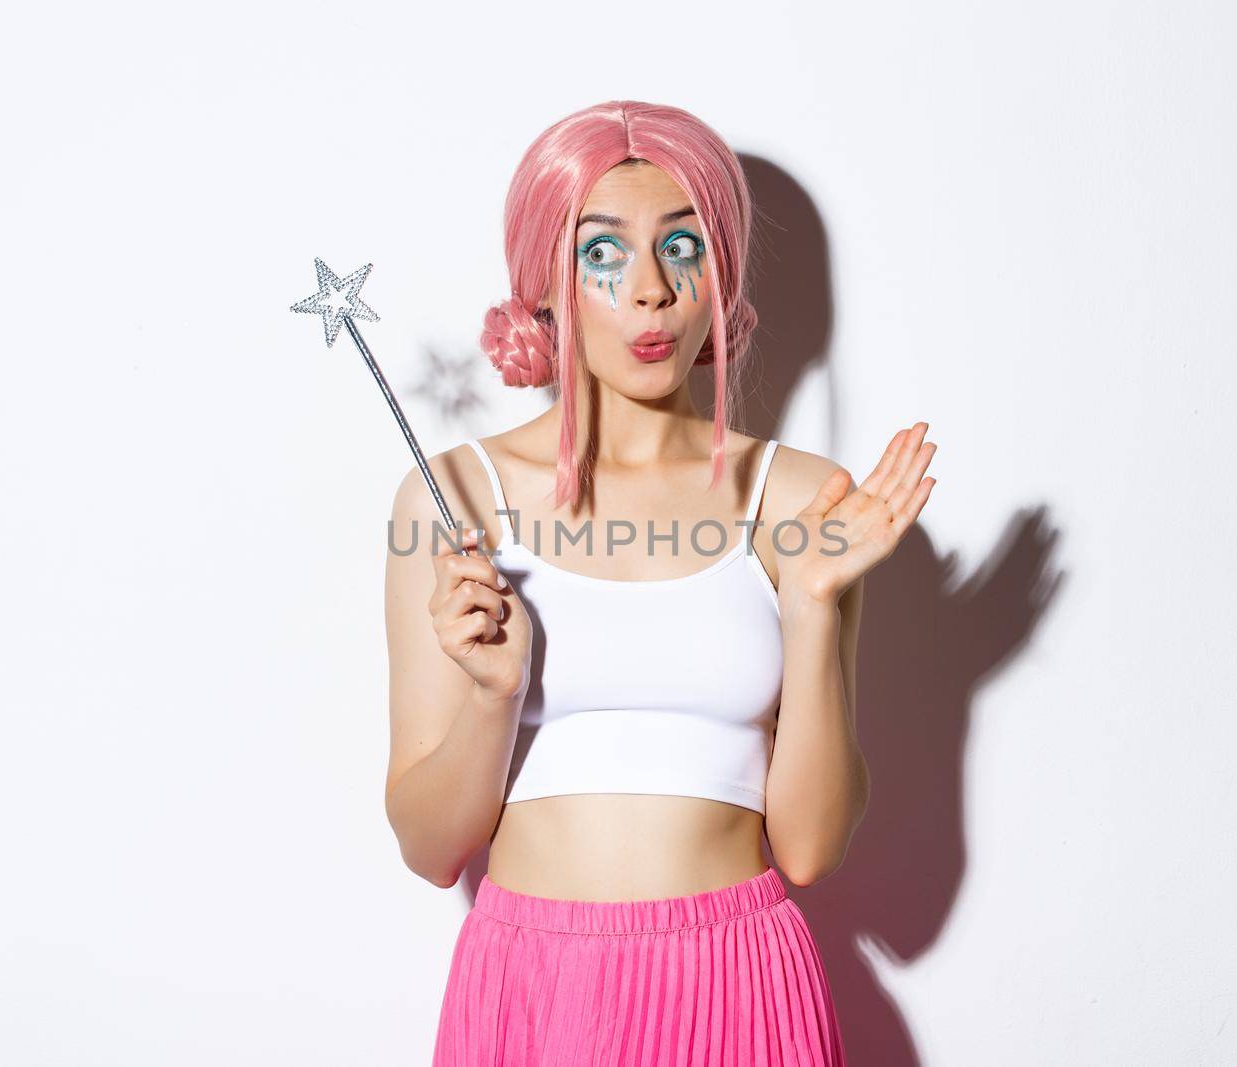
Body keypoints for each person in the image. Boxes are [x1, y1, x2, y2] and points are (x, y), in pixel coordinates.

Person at [383, 100, 937, 1065]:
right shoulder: (453, 497)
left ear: (719, 279)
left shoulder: (801, 499)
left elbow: (809, 849)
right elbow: (430, 848)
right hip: (531, 987)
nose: (650, 290)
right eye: (604, 254)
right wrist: (493, 695)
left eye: (683, 248)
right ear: (545, 284)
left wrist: (808, 606)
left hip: (742, 980)